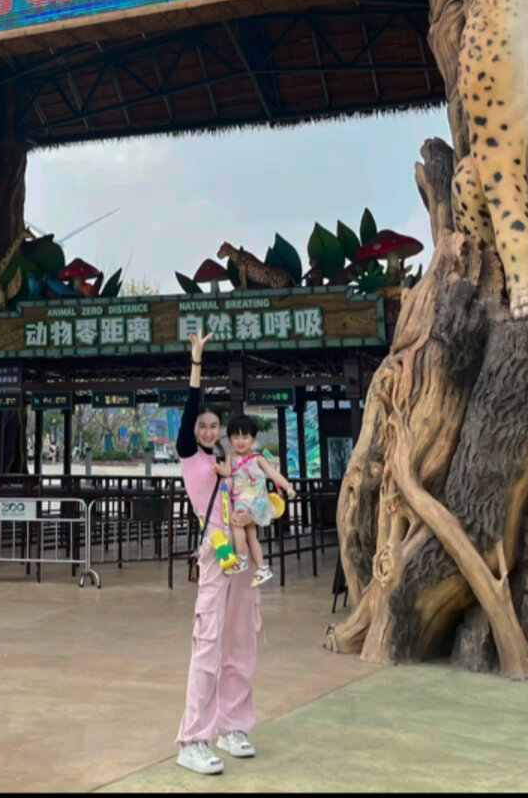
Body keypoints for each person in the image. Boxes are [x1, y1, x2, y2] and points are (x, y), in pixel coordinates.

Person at [174, 332, 259, 776]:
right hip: (216, 550)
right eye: (202, 425)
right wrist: (197, 361)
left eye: (213, 426)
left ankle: (233, 726)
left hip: (241, 550)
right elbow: (192, 405)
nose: (207, 430)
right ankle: (193, 738)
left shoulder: (226, 458)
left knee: (240, 640)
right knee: (208, 643)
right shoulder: (191, 456)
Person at [215, 416, 294, 588]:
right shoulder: (230, 455)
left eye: (245, 437)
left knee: (236, 523)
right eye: (236, 437)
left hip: (255, 500)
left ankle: (241, 558)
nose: (240, 441)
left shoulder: (257, 458)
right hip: (242, 500)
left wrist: (287, 486)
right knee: (251, 536)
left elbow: (273, 474)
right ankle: (261, 568)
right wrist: (220, 469)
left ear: (253, 439)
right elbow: (228, 472)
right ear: (229, 440)